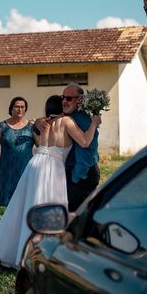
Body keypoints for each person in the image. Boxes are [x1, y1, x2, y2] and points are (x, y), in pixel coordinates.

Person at [0, 95, 101, 269]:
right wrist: (94, 124)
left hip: (35, 163)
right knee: (48, 209)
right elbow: (84, 142)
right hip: (52, 167)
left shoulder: (44, 122)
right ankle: (35, 255)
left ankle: (9, 252)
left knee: (23, 207)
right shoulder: (66, 121)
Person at [0, 97, 37, 206]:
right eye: (17, 106)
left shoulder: (31, 126)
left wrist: (36, 129)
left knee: (26, 202)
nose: (20, 109)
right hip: (7, 171)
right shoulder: (2, 127)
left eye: (22, 107)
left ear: (25, 109)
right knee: (9, 204)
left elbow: (40, 145)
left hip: (26, 169)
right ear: (11, 108)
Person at [60, 83, 101, 212]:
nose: (64, 101)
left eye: (68, 98)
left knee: (76, 214)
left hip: (81, 173)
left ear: (80, 100)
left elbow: (86, 151)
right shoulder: (72, 117)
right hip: (79, 172)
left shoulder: (80, 119)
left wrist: (76, 177)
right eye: (63, 97)